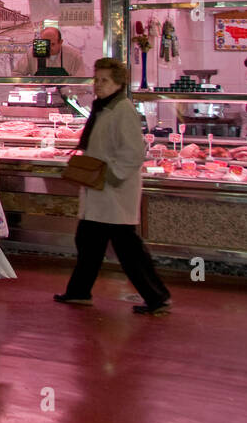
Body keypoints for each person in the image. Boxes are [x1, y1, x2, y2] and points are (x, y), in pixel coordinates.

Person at [55, 57, 172, 314]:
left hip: (113, 192)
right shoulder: (104, 107)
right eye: (96, 79)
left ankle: (157, 296)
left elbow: (133, 153)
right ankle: (79, 291)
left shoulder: (123, 110)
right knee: (88, 242)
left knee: (126, 249)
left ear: (118, 83)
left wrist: (110, 176)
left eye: (104, 80)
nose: (98, 85)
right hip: (102, 191)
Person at [12, 26, 86, 77]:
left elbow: (81, 82)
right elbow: (16, 74)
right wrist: (30, 86)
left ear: (60, 42)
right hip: (39, 96)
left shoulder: (73, 55)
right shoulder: (31, 53)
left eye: (52, 44)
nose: (48, 48)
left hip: (66, 97)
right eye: (45, 43)